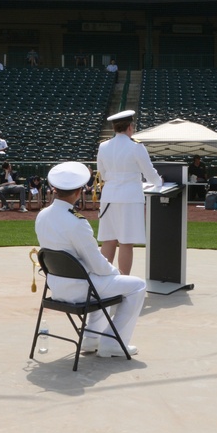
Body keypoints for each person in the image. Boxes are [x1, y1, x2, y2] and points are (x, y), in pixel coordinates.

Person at [36, 161, 147, 357]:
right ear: (79, 192)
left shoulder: (42, 215)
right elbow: (96, 263)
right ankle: (113, 342)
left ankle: (91, 339)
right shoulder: (76, 222)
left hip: (56, 285)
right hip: (80, 288)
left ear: (54, 190)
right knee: (136, 285)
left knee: (101, 282)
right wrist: (116, 273)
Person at [96, 110, 163, 275]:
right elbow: (149, 172)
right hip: (130, 197)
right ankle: (123, 281)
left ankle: (103, 279)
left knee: (109, 240)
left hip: (109, 197)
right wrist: (159, 182)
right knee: (126, 242)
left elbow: (101, 173)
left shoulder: (103, 146)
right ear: (130, 127)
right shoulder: (136, 146)